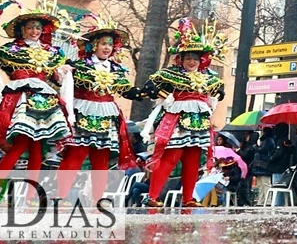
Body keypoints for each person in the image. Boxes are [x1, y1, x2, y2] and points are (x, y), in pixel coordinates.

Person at [136, 19, 225, 208]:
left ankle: (188, 198)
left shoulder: (209, 77)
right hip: (176, 120)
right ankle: (152, 195)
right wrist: (165, 96)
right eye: (188, 58)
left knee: (193, 160)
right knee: (170, 158)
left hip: (199, 121)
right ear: (181, 59)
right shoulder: (170, 73)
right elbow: (149, 87)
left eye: (195, 58)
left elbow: (221, 91)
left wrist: (212, 99)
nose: (192, 61)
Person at [0, 1, 74, 177]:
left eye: (38, 28)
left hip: (45, 100)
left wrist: (62, 72)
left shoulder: (52, 52)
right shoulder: (11, 49)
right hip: (20, 99)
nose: (34, 31)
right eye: (30, 27)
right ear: (23, 29)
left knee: (36, 146)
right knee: (22, 143)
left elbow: (60, 71)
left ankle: (29, 194)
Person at [57, 18, 140, 201]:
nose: (107, 48)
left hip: (107, 116)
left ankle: (96, 201)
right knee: (75, 157)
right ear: (94, 45)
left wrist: (146, 93)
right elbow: (60, 81)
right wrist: (60, 73)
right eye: (103, 43)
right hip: (83, 113)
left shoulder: (116, 70)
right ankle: (60, 198)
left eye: (110, 44)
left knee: (101, 161)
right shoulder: (79, 65)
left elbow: (126, 90)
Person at [252, 126, 277, 205]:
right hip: (261, 166)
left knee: (265, 184)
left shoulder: (269, 141)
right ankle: (261, 200)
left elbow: (263, 150)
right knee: (260, 184)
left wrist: (256, 147)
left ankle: (267, 201)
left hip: (264, 165)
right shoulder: (266, 140)